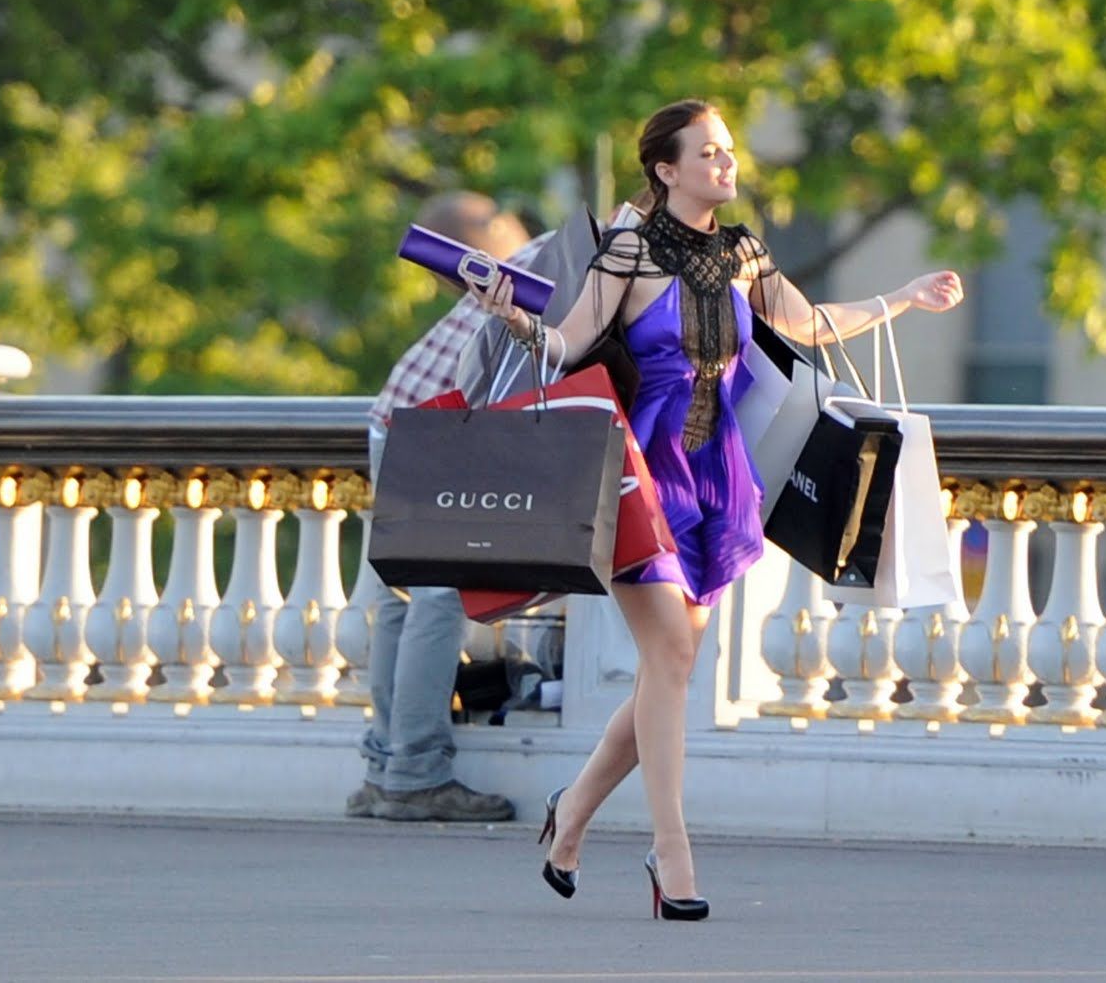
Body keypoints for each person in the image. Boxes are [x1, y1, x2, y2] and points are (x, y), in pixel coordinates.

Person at [469, 99, 965, 919]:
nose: (727, 164)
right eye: (709, 152)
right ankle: (673, 855)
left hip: (720, 476)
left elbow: (807, 325)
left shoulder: (742, 254)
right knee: (667, 658)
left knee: (672, 668)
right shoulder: (626, 251)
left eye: (729, 150)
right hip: (641, 474)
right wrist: (511, 312)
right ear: (667, 169)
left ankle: (571, 814)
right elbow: (567, 343)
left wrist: (902, 298)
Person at [347, 191, 534, 824]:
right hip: (443, 428)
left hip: (398, 417)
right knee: (436, 598)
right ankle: (416, 774)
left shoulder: (544, 255)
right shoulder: (576, 266)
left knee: (398, 599)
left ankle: (382, 768)